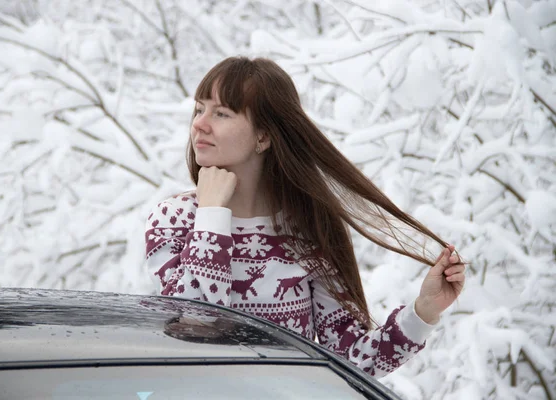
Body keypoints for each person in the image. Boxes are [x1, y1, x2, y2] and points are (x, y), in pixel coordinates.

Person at [144, 56, 466, 378]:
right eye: (199, 109)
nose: (200, 124)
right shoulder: (175, 220)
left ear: (263, 136)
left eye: (221, 113)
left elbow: (352, 361)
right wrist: (212, 217)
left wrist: (424, 310)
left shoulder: (306, 231)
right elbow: (195, 324)